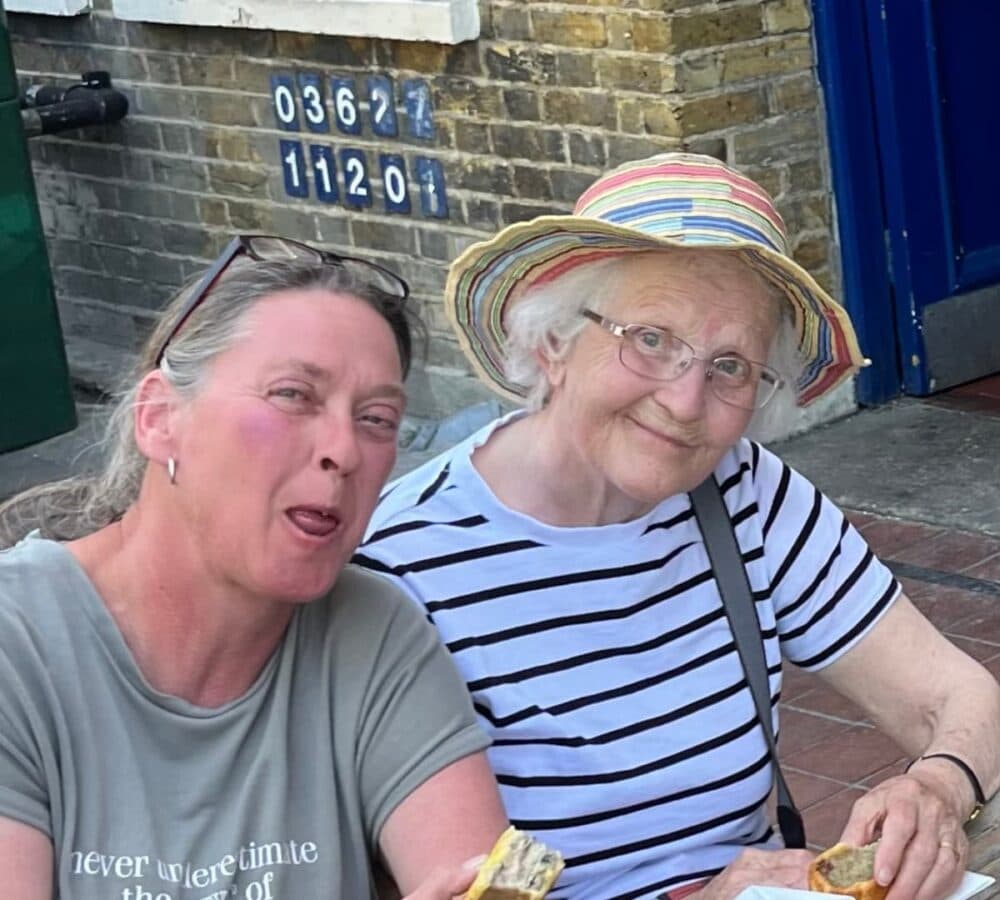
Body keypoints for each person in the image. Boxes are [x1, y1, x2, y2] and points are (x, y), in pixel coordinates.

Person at [355, 154, 1000, 900]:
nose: (685, 401)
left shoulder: (742, 493)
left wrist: (939, 789)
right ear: (553, 342)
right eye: (651, 339)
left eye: (730, 366)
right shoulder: (404, 563)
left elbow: (961, 699)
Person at [0, 235, 508, 899]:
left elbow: (485, 879)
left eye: (378, 419)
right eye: (293, 395)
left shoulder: (375, 633)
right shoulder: (19, 645)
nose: (343, 451)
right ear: (159, 420)